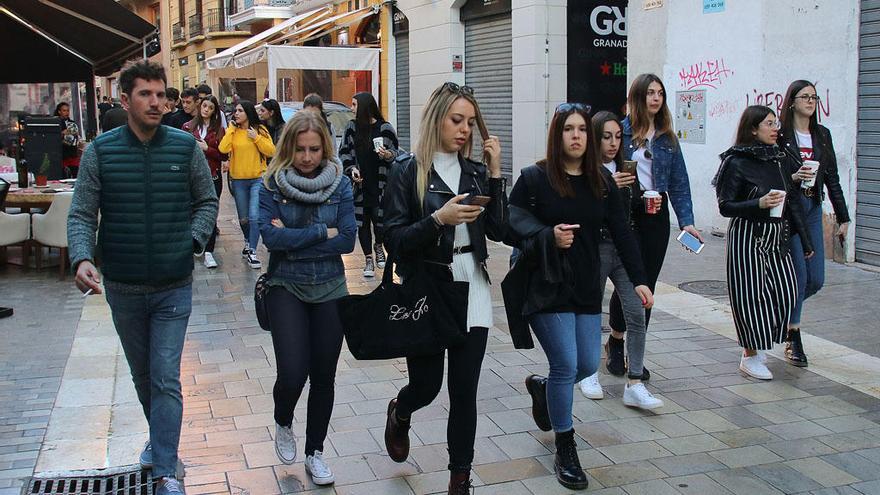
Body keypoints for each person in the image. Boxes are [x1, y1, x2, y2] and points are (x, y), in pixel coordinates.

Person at [66, 59, 218, 495]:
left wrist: (191, 242)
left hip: (173, 285)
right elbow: (81, 212)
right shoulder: (100, 151)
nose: (156, 102)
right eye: (146, 94)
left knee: (166, 375)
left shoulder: (184, 147)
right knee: (144, 377)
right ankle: (162, 442)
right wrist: (81, 258)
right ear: (125, 99)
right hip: (124, 286)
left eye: (161, 94)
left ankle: (166, 470)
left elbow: (206, 202)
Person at [511, 103, 651, 491]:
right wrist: (547, 236)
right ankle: (565, 445)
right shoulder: (535, 178)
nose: (576, 136)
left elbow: (622, 232)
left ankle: (542, 388)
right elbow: (510, 222)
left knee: (588, 363)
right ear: (557, 136)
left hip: (586, 287)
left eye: (581, 130)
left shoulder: (600, 183)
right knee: (566, 362)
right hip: (547, 285)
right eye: (568, 129)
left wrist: (639, 281)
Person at [382, 82, 506, 495]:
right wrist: (439, 219)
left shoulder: (473, 171)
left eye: (470, 122)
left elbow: (502, 229)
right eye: (457, 120)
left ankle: (460, 479)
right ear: (437, 118)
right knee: (427, 386)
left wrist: (496, 174)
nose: (465, 130)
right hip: (428, 290)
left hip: (472, 284)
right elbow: (394, 240)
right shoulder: (407, 170)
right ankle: (401, 411)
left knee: (464, 392)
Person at [257, 111, 356, 486]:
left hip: (331, 286)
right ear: (288, 148)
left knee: (324, 376)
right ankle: (284, 419)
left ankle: (315, 452)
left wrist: (296, 236)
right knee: (293, 372)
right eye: (300, 149)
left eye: (314, 149)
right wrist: (321, 232)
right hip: (285, 285)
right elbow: (270, 238)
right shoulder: (272, 185)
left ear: (324, 148)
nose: (308, 157)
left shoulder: (340, 185)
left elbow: (347, 240)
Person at [606, 73, 702, 379]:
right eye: (649, 92)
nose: (656, 98)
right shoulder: (619, 133)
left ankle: (636, 352)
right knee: (628, 281)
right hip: (625, 213)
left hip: (655, 215)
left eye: (660, 93)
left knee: (647, 285)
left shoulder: (667, 139)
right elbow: (600, 170)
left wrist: (687, 222)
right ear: (637, 96)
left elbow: (680, 183)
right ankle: (617, 340)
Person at [714, 105, 814, 380]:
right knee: (750, 296)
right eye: (769, 124)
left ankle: (763, 343)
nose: (775, 129)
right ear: (753, 129)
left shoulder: (778, 158)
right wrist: (758, 203)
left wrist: (805, 240)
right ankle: (750, 353)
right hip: (747, 235)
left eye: (775, 123)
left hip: (777, 233)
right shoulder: (735, 161)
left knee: (787, 290)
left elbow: (791, 199)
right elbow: (725, 206)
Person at [576, 111, 663, 410]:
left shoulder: (628, 167)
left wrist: (645, 199)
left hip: (624, 247)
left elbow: (629, 211)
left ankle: (635, 382)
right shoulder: (585, 169)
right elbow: (579, 206)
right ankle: (588, 373)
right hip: (596, 247)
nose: (613, 143)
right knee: (591, 310)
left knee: (636, 311)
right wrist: (606, 186)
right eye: (606, 136)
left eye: (618, 137)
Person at [778, 80, 851, 368]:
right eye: (805, 96)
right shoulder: (781, 136)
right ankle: (793, 335)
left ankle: (779, 312)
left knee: (816, 279)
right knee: (798, 278)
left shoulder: (822, 135)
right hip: (791, 209)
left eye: (814, 97)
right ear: (792, 101)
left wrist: (843, 216)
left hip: (812, 207)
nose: (810, 101)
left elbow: (831, 177)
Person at [339, 92, 399, 277]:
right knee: (362, 223)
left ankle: (378, 246)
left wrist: (388, 155)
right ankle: (368, 260)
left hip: (381, 184)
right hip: (360, 184)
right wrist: (351, 170)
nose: (351, 108)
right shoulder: (351, 127)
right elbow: (344, 152)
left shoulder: (385, 127)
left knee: (380, 222)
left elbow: (396, 152)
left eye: (354, 104)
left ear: (364, 106)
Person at [219, 100, 276, 269]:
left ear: (248, 113)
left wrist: (256, 138)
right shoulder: (233, 131)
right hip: (238, 181)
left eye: (240, 111)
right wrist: (230, 129)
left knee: (254, 216)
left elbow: (271, 150)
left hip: (257, 178)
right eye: (235, 111)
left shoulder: (260, 130)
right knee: (243, 219)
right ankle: (247, 240)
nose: (236, 113)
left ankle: (252, 250)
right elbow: (223, 148)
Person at [184, 95, 227, 269]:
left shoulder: (218, 130)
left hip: (213, 175)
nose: (206, 110)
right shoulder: (188, 127)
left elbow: (223, 154)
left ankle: (209, 250)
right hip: (191, 176)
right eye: (204, 106)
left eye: (210, 107)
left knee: (210, 212)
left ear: (214, 111)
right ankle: (192, 245)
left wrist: (207, 148)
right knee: (190, 211)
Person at [54, 103, 80, 178]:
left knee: (75, 173)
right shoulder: (56, 122)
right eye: (64, 111)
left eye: (68, 111)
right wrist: (62, 133)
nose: (66, 113)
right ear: (59, 112)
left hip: (72, 152)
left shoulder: (72, 123)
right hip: (62, 154)